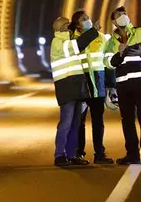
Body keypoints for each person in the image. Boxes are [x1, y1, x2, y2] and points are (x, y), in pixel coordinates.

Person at [103, 6, 141, 166]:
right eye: (119, 15)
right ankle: (132, 154)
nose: (123, 16)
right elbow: (107, 63)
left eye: (124, 14)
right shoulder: (111, 42)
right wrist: (119, 54)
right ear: (114, 21)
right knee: (127, 121)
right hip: (124, 86)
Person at [69, 10, 115, 165]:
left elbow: (108, 63)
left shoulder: (102, 38)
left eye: (88, 17)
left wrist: (111, 85)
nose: (88, 20)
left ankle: (99, 153)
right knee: (79, 122)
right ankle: (78, 153)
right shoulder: (71, 40)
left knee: (98, 121)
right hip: (81, 87)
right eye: (84, 19)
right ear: (77, 25)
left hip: (98, 85)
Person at [50, 17, 90, 167]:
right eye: (67, 25)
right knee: (66, 122)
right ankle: (59, 154)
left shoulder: (69, 40)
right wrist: (92, 32)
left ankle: (72, 154)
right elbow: (77, 46)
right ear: (60, 28)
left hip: (77, 86)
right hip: (66, 87)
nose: (70, 28)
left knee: (76, 123)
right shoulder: (58, 43)